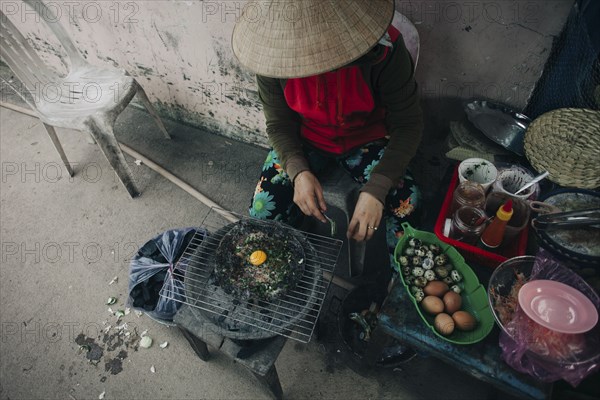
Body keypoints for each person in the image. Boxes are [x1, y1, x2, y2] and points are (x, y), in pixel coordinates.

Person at [232, 0, 423, 255]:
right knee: (262, 211)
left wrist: (377, 189)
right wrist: (298, 171)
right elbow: (279, 124)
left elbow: (408, 123)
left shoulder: (384, 49)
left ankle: (397, 286)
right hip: (306, 139)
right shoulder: (272, 58)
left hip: (368, 139)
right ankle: (280, 274)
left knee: (406, 203)